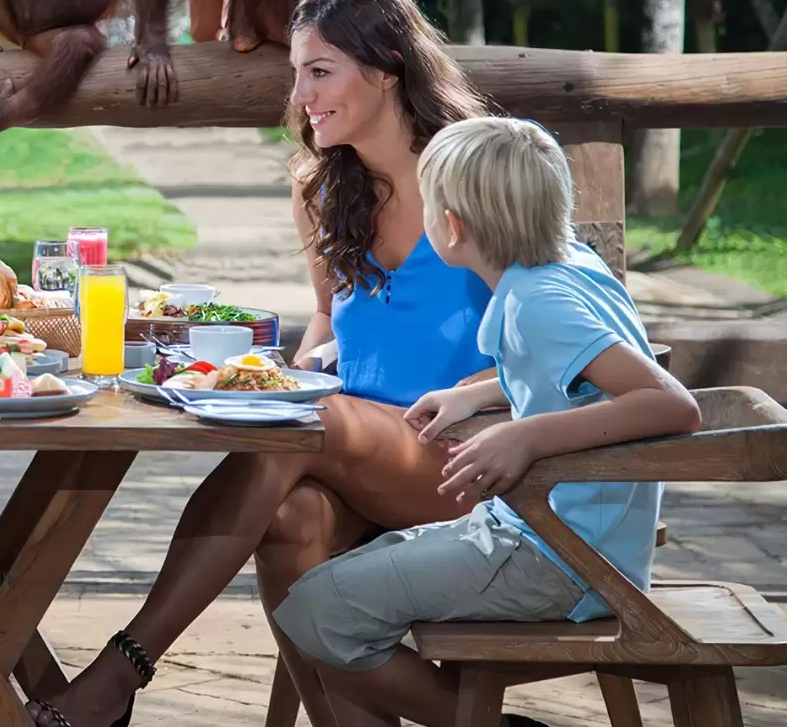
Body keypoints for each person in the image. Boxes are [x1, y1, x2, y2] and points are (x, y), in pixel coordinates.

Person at [29, 0, 495, 727]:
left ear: (384, 70)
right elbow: (325, 317)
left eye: (320, 71)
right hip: (353, 452)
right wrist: (304, 365)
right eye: (297, 74)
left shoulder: (475, 175)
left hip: (463, 456)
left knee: (292, 424)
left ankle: (120, 673)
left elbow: (558, 327)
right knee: (291, 519)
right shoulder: (321, 188)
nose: (302, 94)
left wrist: (328, 398)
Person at [272, 115, 702, 727]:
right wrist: (476, 396)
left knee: (318, 611)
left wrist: (524, 433)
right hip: (554, 538)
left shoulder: (536, 303)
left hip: (560, 557)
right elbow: (575, 374)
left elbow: (671, 404)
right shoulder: (561, 273)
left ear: (451, 227)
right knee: (332, 593)